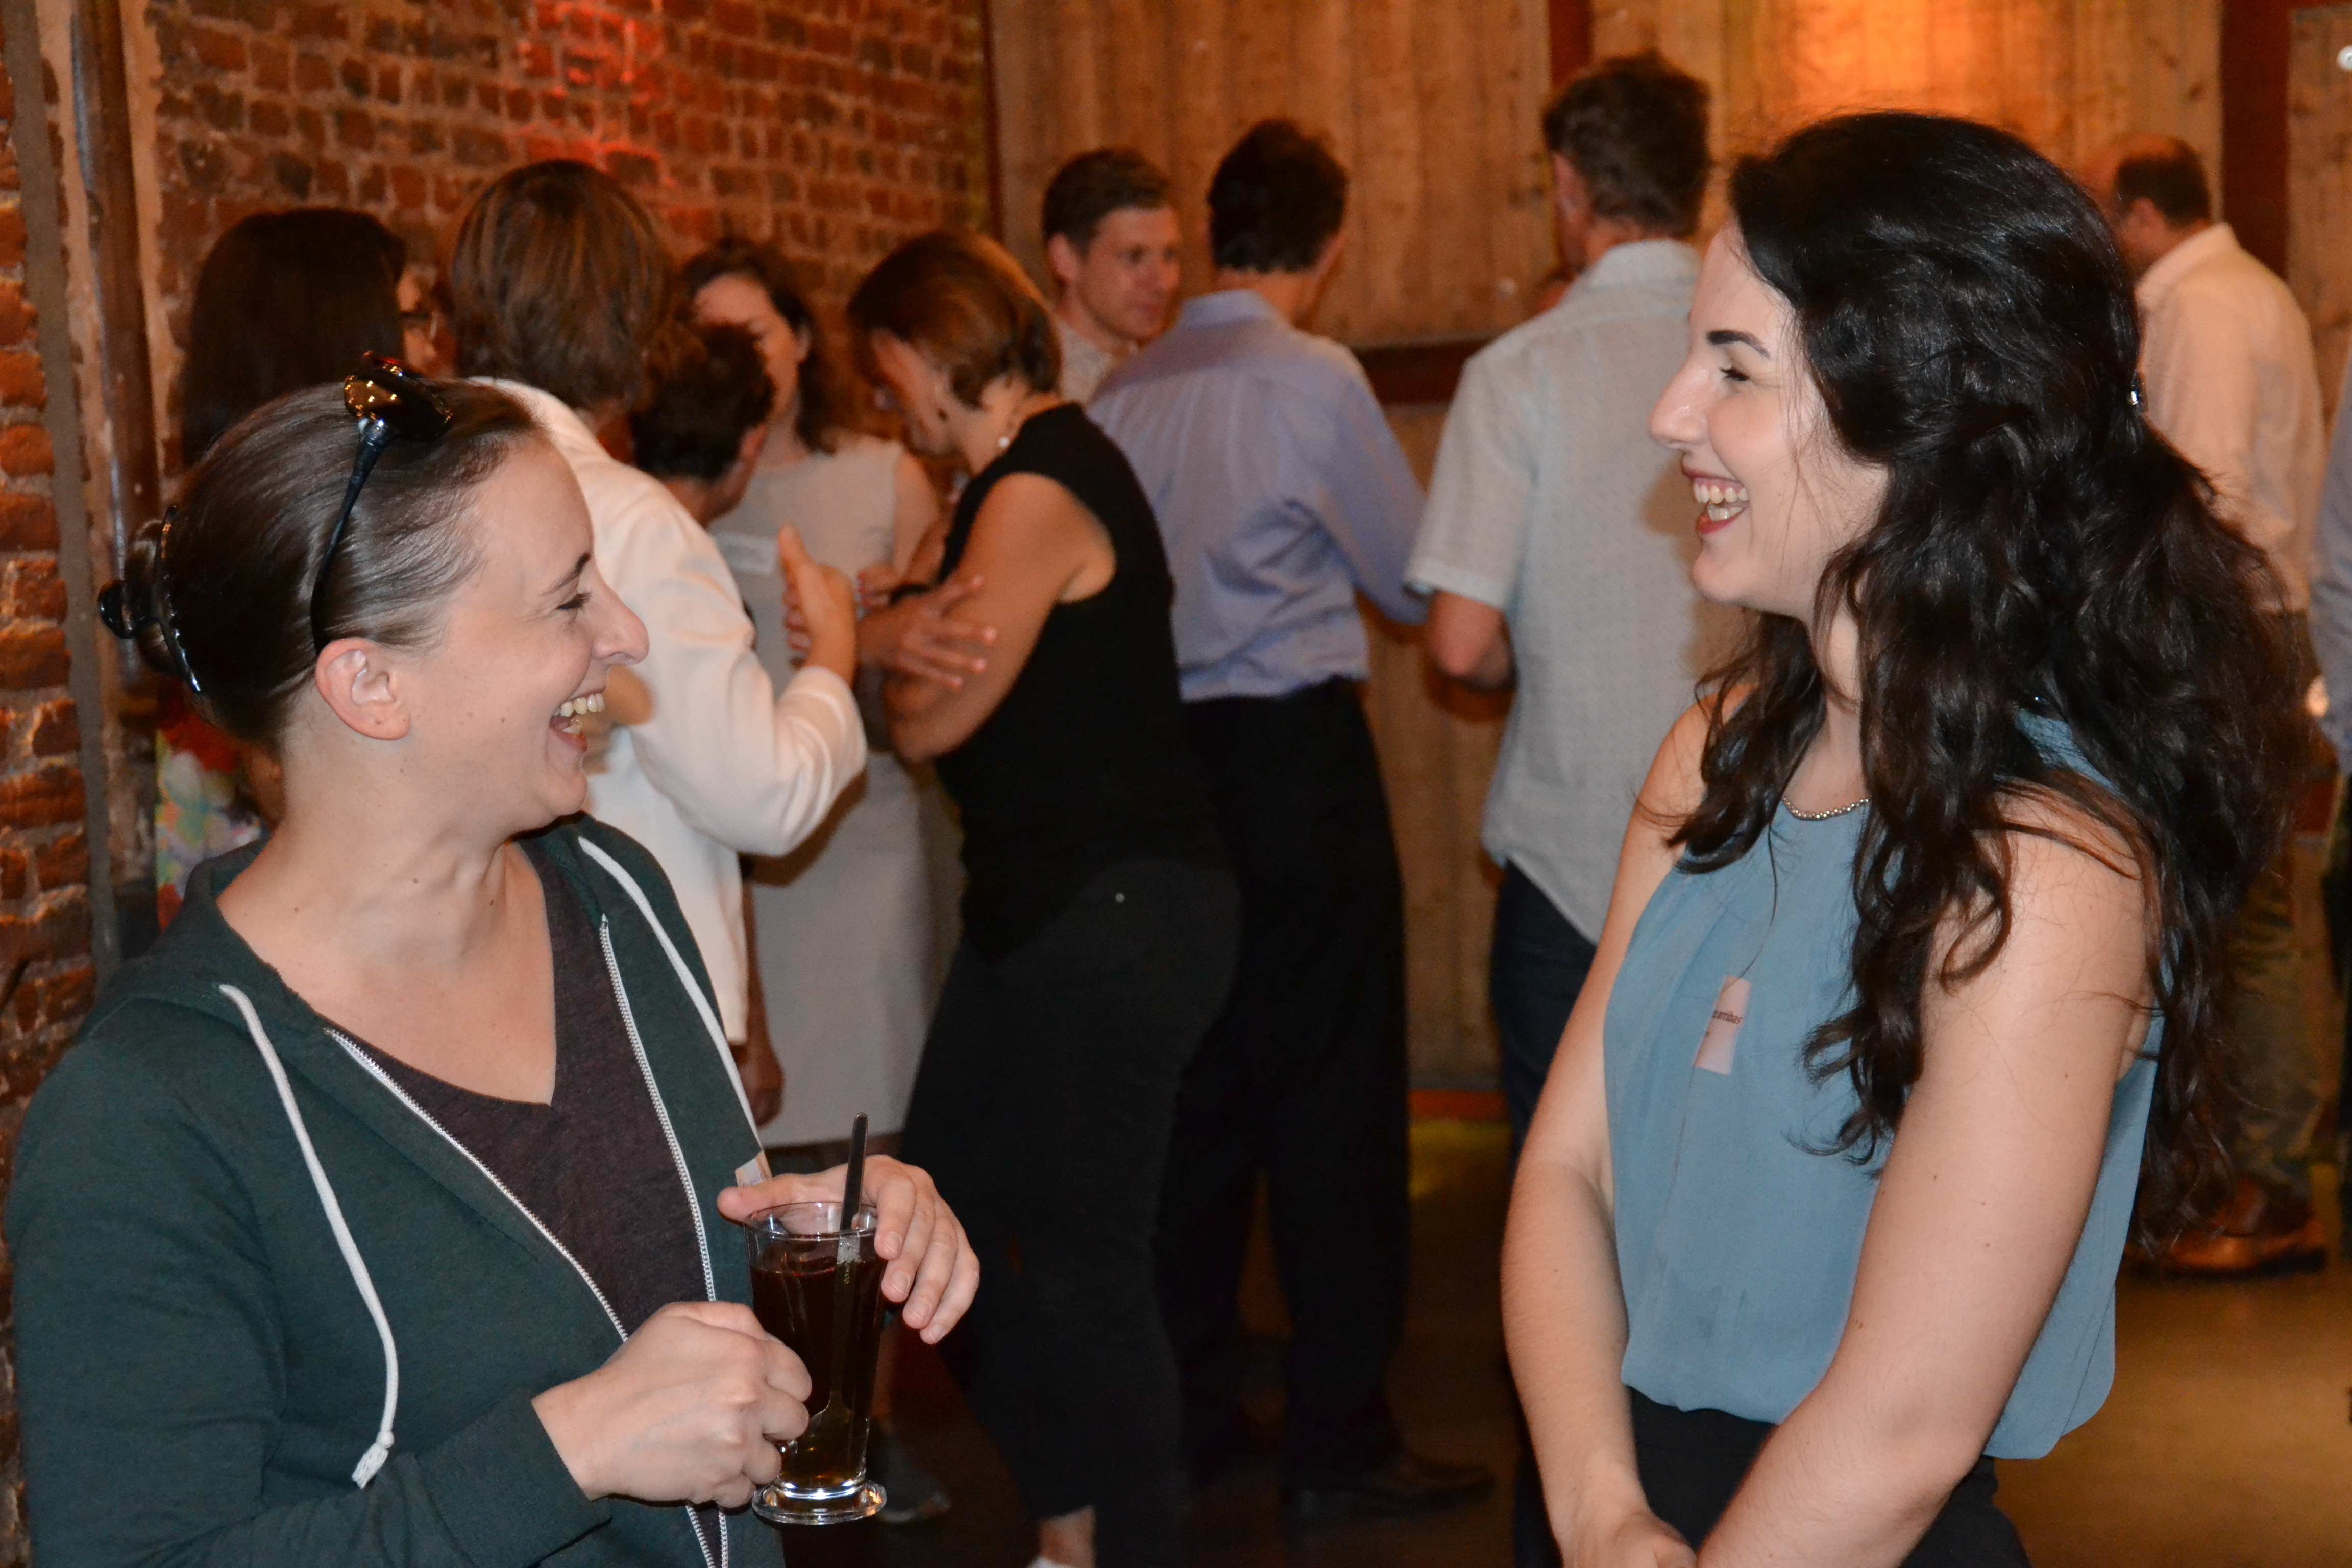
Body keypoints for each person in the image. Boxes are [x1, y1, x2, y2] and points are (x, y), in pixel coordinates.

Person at [12, 368, 978, 1565]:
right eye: (567, 599)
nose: (622, 634)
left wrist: (818, 1219)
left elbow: (665, 1267)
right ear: (372, 683)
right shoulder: (155, 1108)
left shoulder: (613, 891)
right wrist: (564, 1449)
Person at [1504, 112, 2298, 1563]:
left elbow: (1904, 1434)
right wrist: (1599, 1514)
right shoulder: (1719, 750)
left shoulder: (2046, 867)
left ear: (1917, 416)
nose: (1671, 411)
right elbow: (1564, 1173)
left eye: (1736, 367)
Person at [1091, 118, 1487, 1520]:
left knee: (1195, 1105)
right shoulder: (1311, 379)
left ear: (1210, 237)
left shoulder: (1123, 394)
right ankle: (1341, 1433)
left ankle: (1195, 1415)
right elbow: (1403, 577)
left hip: (1163, 782)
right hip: (1296, 772)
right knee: (1334, 1109)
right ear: (1326, 247)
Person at [850, 228, 1237, 1568]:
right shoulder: (1000, 491)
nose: (882, 396)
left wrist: (879, 643)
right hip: (1045, 917)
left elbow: (928, 724)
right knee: (924, 1223)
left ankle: (1119, 1544)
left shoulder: (1035, 488)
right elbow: (923, 652)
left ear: (927, 349)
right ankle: (1071, 1509)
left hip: (1117, 912)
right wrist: (896, 628)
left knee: (1088, 1272)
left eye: (886, 366)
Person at [1411, 50, 1728, 1567]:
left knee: (1569, 1208)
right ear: (1701, 176)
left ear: (1567, 188)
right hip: (1751, 849)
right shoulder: (1749, 343)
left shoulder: (1518, 374)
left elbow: (1461, 645)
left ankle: (1588, 1524)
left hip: (1566, 869)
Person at [446, 161, 869, 1100]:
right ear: (634, 327)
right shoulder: (626, 519)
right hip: (629, 1001)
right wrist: (831, 661)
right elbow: (761, 793)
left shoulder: (416, 484)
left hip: (467, 1001)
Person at [2084, 133, 2334, 1274]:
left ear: (2139, 214)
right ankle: (2251, 1172)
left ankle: (2272, 1185)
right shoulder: (2250, 289)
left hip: (2229, 631)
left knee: (2253, 918)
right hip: (2261, 626)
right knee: (2243, 911)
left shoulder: (2199, 308)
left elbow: (2210, 492)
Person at [680, 235, 946, 1153]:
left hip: (859, 835)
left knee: (878, 1136)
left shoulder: (884, 473)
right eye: (708, 338)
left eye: (753, 332)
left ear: (798, 336)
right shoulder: (685, 496)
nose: (740, 360)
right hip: (733, 854)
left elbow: (937, 683)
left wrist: (884, 625)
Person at [160, 208, 433, 931]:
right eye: (410, 317)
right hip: (312, 905)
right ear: (348, 336)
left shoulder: (210, 513)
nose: (431, 344)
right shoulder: (322, 533)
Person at [1040, 148, 1182, 401]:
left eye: (1170, 256)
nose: (1163, 283)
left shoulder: (1168, 378)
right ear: (1066, 260)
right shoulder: (1034, 387)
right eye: (1134, 257)